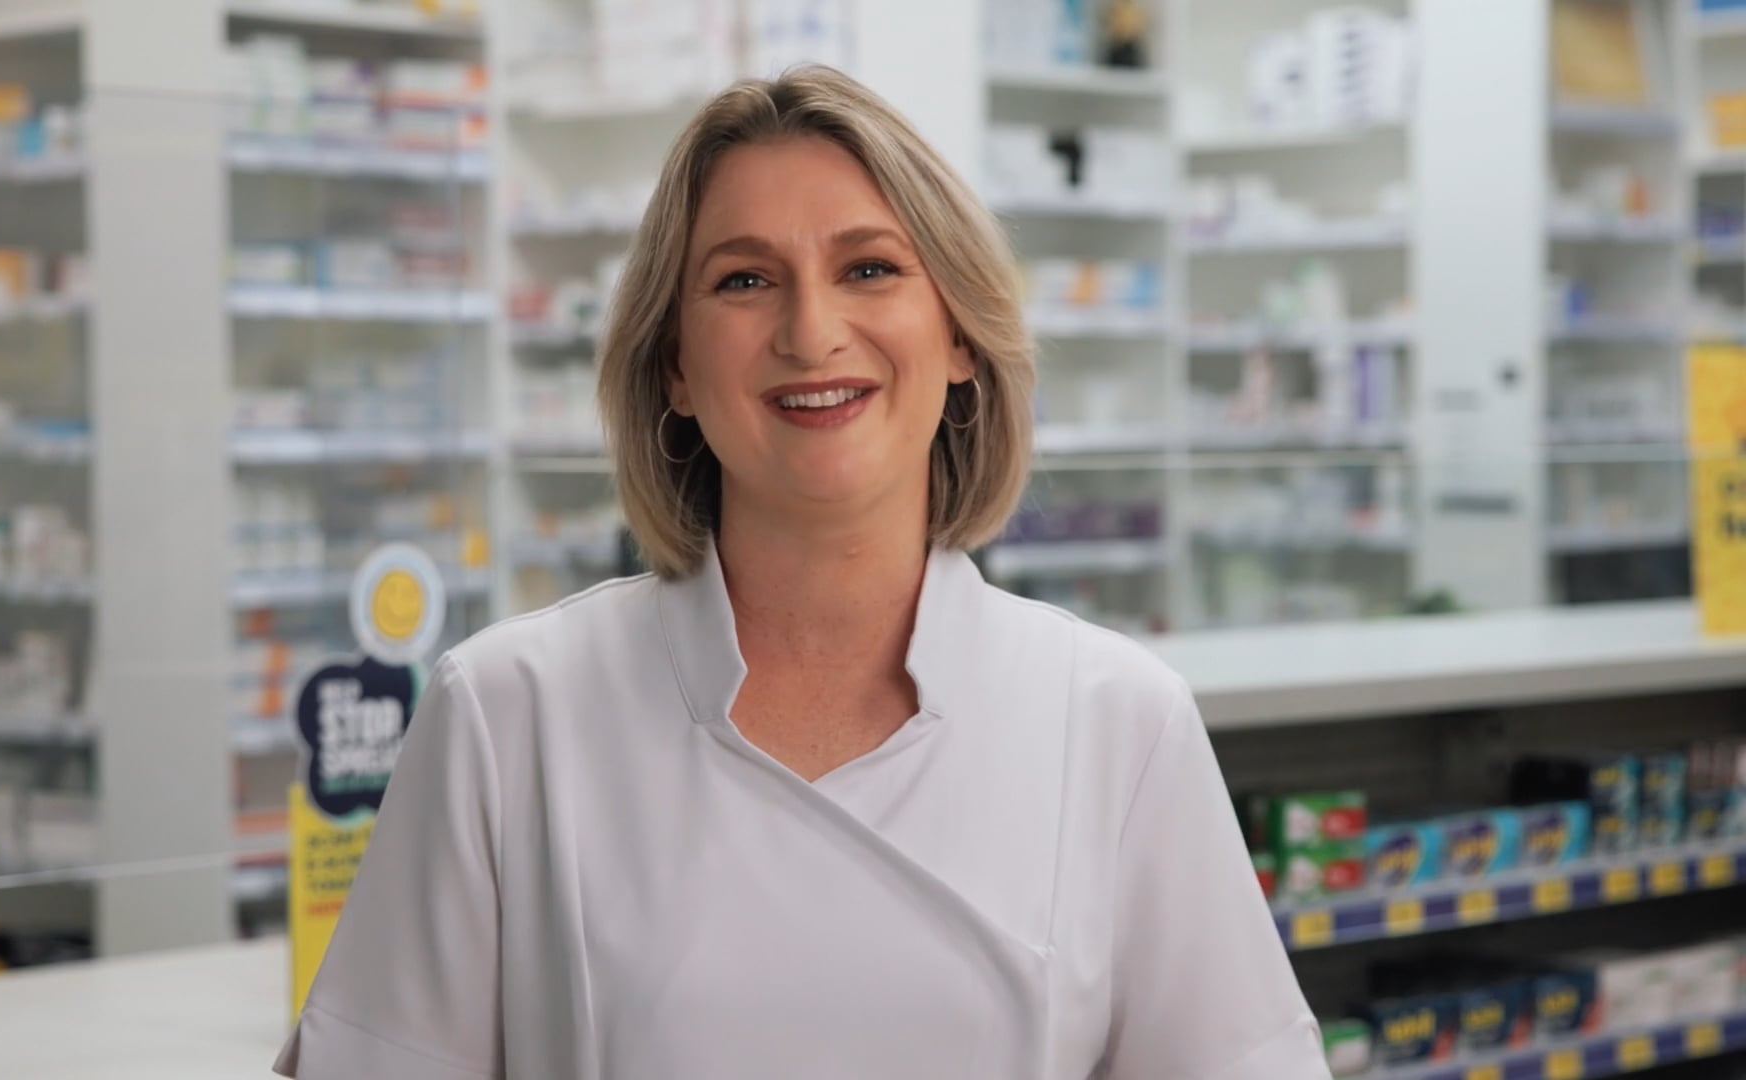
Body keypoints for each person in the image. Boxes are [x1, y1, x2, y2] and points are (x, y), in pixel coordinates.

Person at [276, 64, 1327, 1079]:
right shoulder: (510, 717)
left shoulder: (1117, 723)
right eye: (744, 280)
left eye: (869, 268)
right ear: (676, 368)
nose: (812, 332)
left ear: (958, 333)